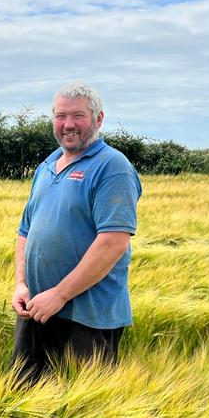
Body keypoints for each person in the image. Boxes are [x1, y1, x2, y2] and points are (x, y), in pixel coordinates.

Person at [11, 84, 142, 380]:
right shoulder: (45, 167)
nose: (68, 124)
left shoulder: (112, 167)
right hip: (36, 311)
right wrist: (21, 284)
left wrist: (59, 295)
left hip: (87, 319)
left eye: (77, 116)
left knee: (83, 415)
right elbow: (25, 232)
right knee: (19, 403)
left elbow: (113, 243)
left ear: (98, 119)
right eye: (60, 116)